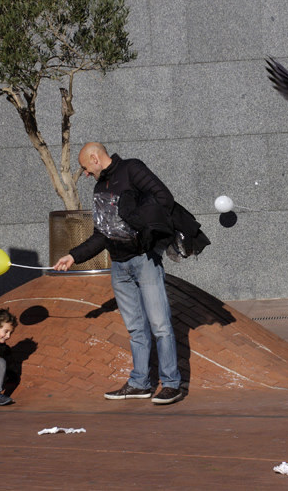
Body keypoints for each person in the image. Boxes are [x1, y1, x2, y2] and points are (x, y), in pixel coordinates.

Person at [53, 142, 184, 405]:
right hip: (119, 265)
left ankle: (171, 384)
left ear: (95, 158)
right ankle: (139, 383)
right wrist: (73, 256)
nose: (86, 173)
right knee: (136, 329)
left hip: (144, 259)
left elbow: (164, 197)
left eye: (85, 168)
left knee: (160, 325)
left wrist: (133, 216)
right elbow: (101, 234)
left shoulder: (131, 169)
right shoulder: (99, 187)